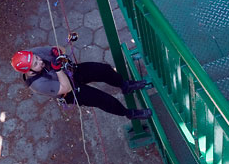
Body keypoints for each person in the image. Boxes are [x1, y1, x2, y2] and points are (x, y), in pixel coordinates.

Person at [11, 45, 153, 120]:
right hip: (69, 92)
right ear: (29, 71)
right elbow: (66, 87)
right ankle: (129, 113)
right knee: (103, 100)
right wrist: (57, 69)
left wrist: (57, 52)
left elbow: (61, 49)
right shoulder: (38, 84)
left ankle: (125, 85)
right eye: (36, 64)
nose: (40, 61)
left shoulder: (33, 54)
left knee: (103, 70)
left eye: (37, 58)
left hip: (71, 72)